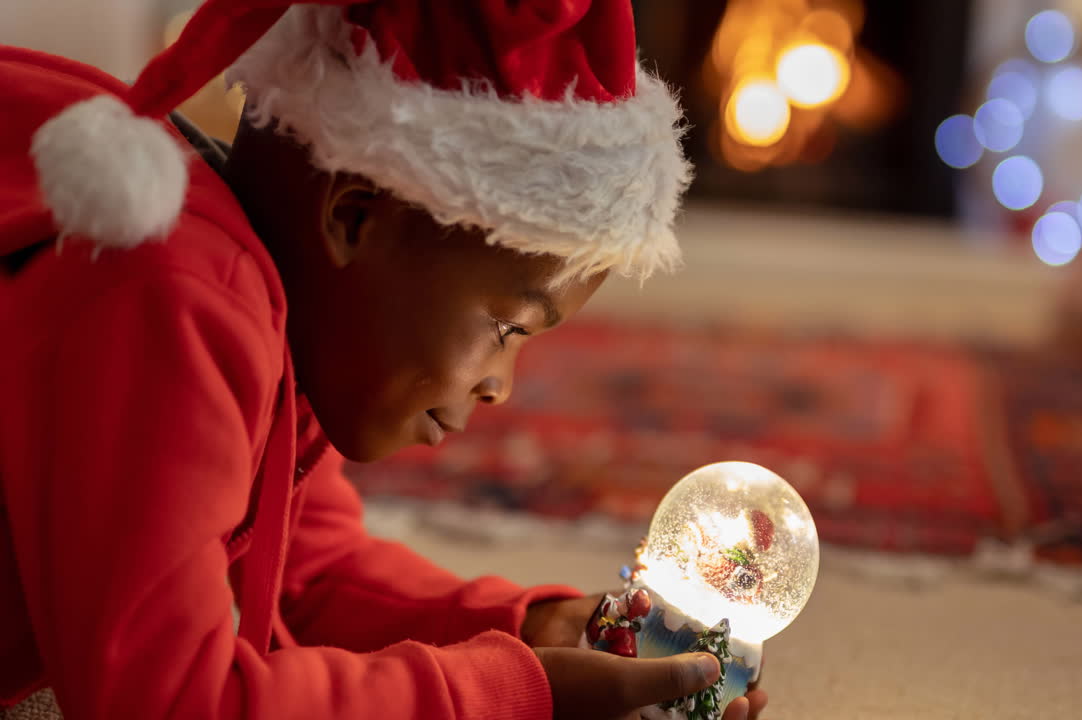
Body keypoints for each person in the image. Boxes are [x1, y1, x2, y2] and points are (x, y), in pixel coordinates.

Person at [0, 1, 768, 718]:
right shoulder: (180, 298)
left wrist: (536, 629)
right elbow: (168, 699)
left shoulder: (288, 328)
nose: (502, 387)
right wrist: (505, 698)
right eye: (509, 326)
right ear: (355, 217)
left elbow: (316, 569)